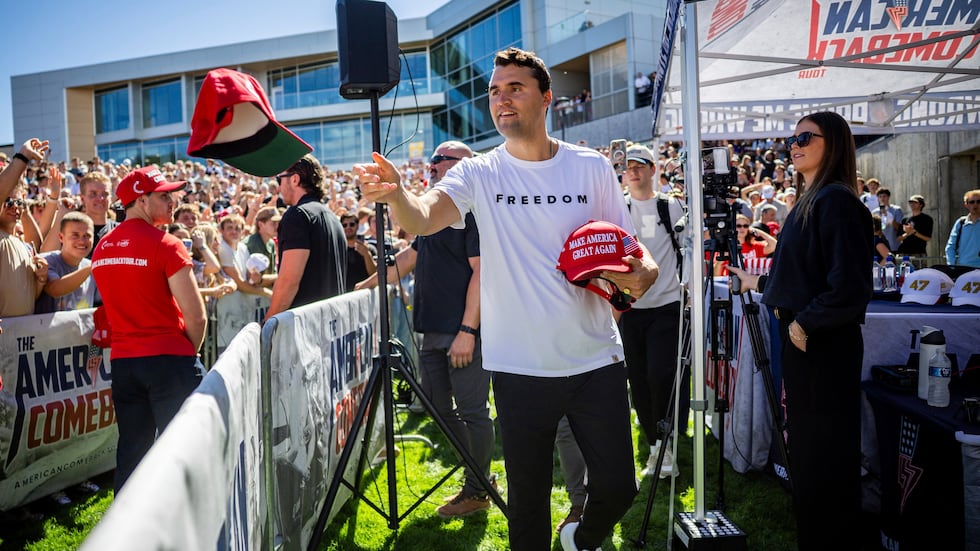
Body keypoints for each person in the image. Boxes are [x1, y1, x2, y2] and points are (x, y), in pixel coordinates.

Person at [355, 47, 659, 551]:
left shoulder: (591, 166)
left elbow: (628, 247)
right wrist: (397, 196)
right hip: (519, 367)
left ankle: (582, 538)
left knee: (618, 487)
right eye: (495, 91)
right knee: (528, 505)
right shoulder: (479, 171)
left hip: (596, 358)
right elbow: (423, 217)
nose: (501, 99)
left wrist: (645, 268)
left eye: (515, 88)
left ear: (547, 98)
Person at [728, 111, 873, 551]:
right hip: (805, 345)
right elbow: (802, 277)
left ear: (834, 143)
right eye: (792, 138)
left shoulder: (837, 201)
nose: (794, 145)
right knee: (810, 456)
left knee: (825, 458)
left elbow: (849, 287)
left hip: (822, 346)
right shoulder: (813, 199)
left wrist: (804, 323)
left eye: (806, 137)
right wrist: (757, 283)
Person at [357, 140, 497, 518]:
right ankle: (481, 478)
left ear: (464, 165)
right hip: (432, 330)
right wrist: (364, 287)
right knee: (437, 407)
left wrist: (468, 330)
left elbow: (482, 272)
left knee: (472, 411)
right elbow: (409, 257)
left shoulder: (474, 211)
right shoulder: (435, 210)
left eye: (440, 159)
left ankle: (477, 489)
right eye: (432, 159)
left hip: (462, 330)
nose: (431, 165)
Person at [91, 166, 207, 492]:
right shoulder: (167, 244)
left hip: (125, 364)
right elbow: (196, 316)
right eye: (164, 196)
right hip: (170, 360)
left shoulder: (102, 247)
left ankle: (126, 520)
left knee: (133, 452)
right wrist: (188, 354)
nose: (172, 202)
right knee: (185, 452)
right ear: (141, 200)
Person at [620, 143, 691, 479]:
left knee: (660, 375)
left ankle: (666, 444)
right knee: (638, 379)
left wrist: (688, 289)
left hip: (667, 304)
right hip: (630, 309)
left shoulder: (670, 205)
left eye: (640, 166)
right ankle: (654, 445)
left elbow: (688, 249)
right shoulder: (619, 207)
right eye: (628, 167)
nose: (633, 172)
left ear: (653, 169)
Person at [263, 154, 346, 322]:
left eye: (280, 179)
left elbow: (289, 281)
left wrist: (268, 323)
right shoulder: (332, 217)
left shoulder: (297, 215)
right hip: (332, 323)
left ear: (294, 179)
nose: (279, 187)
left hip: (307, 326)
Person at [35, 212, 96, 314]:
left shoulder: (91, 265)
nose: (82, 241)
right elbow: (55, 289)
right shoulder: (46, 261)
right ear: (61, 237)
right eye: (75, 235)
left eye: (87, 236)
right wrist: (94, 265)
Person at [340, 212, 377, 293]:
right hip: (343, 295)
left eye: (352, 224)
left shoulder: (369, 248)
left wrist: (367, 255)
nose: (348, 227)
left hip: (364, 294)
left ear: (357, 226)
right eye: (344, 225)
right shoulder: (338, 250)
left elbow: (374, 274)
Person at [945, 188, 980, 268]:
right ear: (966, 204)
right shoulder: (960, 223)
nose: (975, 204)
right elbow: (950, 247)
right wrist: (952, 266)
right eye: (972, 202)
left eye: (979, 201)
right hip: (963, 269)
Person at [874, 187, 903, 251]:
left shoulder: (896, 210)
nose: (882, 199)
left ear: (888, 197)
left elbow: (899, 229)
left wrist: (889, 218)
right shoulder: (875, 212)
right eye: (880, 196)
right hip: (879, 246)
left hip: (893, 245)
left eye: (884, 196)